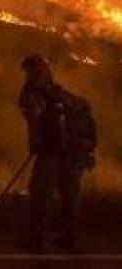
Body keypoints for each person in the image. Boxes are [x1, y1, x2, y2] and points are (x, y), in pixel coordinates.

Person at [19, 54, 97, 253]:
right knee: (69, 195)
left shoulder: (34, 93)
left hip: (52, 151)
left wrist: (35, 144)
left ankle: (36, 240)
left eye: (27, 71)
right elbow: (84, 107)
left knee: (39, 194)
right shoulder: (60, 93)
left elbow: (34, 121)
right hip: (73, 151)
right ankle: (69, 238)